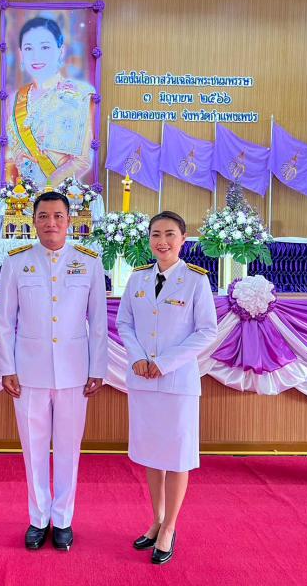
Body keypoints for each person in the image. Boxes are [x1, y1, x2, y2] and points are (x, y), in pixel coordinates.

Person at [0, 191, 108, 552]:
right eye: (43, 216)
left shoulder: (89, 262)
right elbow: (4, 321)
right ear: (33, 221)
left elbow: (99, 322)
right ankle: (38, 517)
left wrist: (97, 368)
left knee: (68, 449)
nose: (51, 223)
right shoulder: (16, 262)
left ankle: (62, 520)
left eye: (58, 216)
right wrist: (7, 367)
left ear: (69, 220)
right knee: (33, 449)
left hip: (75, 372)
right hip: (28, 372)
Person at [115, 211, 217, 565]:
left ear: (183, 239)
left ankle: (170, 527)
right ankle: (156, 520)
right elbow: (124, 321)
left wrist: (165, 362)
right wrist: (139, 357)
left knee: (176, 458)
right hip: (143, 380)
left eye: (170, 234)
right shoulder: (139, 277)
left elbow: (206, 330)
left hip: (177, 383)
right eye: (156, 234)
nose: (162, 241)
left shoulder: (195, 280)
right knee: (151, 454)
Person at [5, 16, 96, 188]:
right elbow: (11, 152)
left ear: (60, 51)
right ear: (21, 54)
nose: (36, 56)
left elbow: (82, 160)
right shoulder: (13, 99)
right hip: (21, 195)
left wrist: (46, 189)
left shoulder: (78, 95)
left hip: (60, 196)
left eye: (45, 47)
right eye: (29, 48)